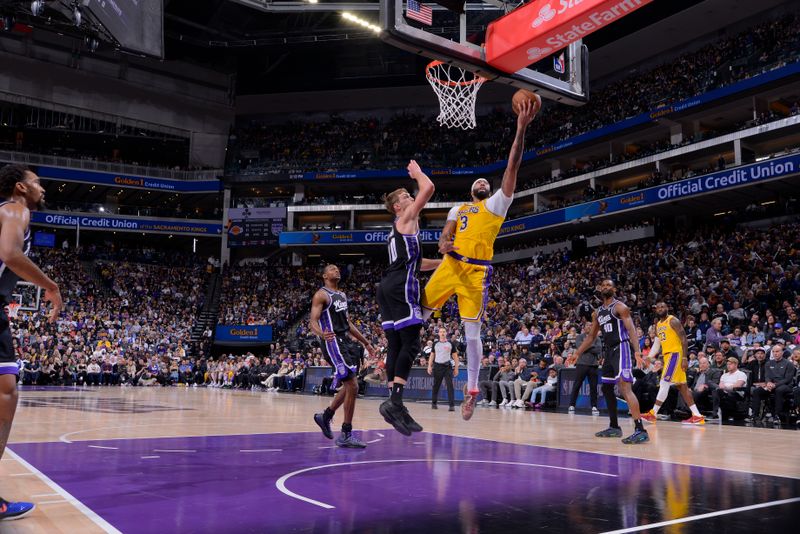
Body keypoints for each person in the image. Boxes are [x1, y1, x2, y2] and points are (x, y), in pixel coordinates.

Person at [420, 97, 540, 421]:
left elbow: (512, 165)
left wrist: (520, 129)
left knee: (472, 335)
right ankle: (394, 366)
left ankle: (471, 391)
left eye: (486, 181)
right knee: (417, 313)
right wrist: (444, 241)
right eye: (479, 182)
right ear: (472, 189)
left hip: (476, 274)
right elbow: (445, 233)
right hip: (450, 265)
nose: (483, 182)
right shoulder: (459, 209)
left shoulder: (496, 206)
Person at [0, 164, 63, 520]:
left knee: (5, 390)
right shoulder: (15, 209)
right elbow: (10, 253)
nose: (44, 189)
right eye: (38, 183)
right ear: (21, 187)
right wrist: (50, 286)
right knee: (6, 397)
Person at [377, 160, 440, 436]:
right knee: (412, 342)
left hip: (388, 284)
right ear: (397, 208)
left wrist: (442, 262)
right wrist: (417, 175)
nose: (410, 197)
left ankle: (395, 404)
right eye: (405, 197)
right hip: (402, 284)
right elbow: (429, 188)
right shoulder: (406, 218)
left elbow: (416, 262)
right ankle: (397, 401)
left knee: (396, 343)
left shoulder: (397, 230)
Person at [572, 279, 648, 444]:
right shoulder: (598, 312)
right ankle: (614, 427)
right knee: (606, 388)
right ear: (600, 289)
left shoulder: (620, 307)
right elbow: (591, 336)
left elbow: (631, 329)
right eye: (603, 285)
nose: (606, 287)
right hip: (609, 351)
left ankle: (640, 429)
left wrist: (637, 351)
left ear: (614, 289)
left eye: (609, 285)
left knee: (625, 387)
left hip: (621, 348)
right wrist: (577, 353)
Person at [311, 264, 376, 448]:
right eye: (332, 269)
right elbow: (313, 321)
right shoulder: (321, 295)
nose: (336, 270)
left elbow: (348, 323)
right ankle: (346, 433)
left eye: (337, 269)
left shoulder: (342, 295)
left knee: (350, 386)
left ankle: (325, 416)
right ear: (325, 275)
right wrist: (322, 334)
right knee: (353, 386)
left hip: (344, 341)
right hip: (332, 342)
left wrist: (366, 342)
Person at [641, 302, 706, 425]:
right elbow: (657, 344)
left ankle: (653, 413)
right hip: (668, 356)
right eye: (658, 307)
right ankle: (697, 415)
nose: (660, 308)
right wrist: (649, 357)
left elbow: (684, 339)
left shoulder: (673, 320)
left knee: (664, 383)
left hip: (675, 355)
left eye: (663, 306)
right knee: (682, 386)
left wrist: (685, 358)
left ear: (667, 308)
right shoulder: (658, 325)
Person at [567, 321, 601, 415]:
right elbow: (579, 346)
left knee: (593, 387)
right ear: (584, 327)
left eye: (591, 325)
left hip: (593, 365)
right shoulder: (579, 337)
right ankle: (571, 405)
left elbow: (598, 350)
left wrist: (585, 346)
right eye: (588, 325)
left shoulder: (597, 338)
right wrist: (590, 346)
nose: (590, 327)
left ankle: (594, 406)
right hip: (581, 364)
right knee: (577, 385)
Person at [428, 327, 459, 411]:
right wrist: (429, 366)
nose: (442, 333)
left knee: (450, 385)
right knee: (436, 385)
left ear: (446, 333)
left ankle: (451, 405)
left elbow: (455, 357)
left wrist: (456, 368)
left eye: (444, 332)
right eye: (441, 332)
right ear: (438, 333)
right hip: (437, 366)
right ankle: (434, 403)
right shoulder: (435, 344)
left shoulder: (450, 343)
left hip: (447, 366)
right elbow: (432, 355)